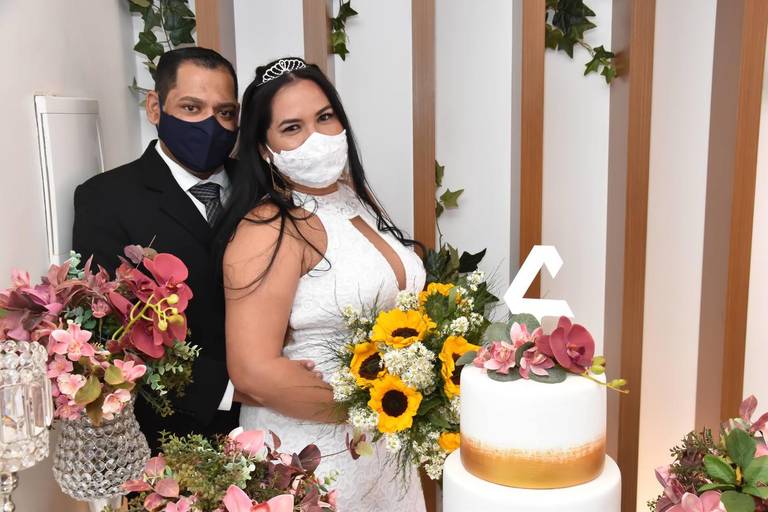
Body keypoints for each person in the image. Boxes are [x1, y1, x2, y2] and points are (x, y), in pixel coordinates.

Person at [217, 57, 428, 511]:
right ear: (264, 148)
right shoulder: (268, 227)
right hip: (315, 453)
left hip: (380, 446)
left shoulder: (352, 197)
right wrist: (380, 407)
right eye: (292, 128)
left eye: (325, 117)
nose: (317, 137)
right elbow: (252, 372)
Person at [73, 47, 247, 450]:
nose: (211, 125)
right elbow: (113, 331)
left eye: (225, 112)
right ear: (155, 107)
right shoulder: (106, 199)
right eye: (191, 108)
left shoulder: (262, 186)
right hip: (175, 434)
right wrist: (236, 391)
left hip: (282, 415)